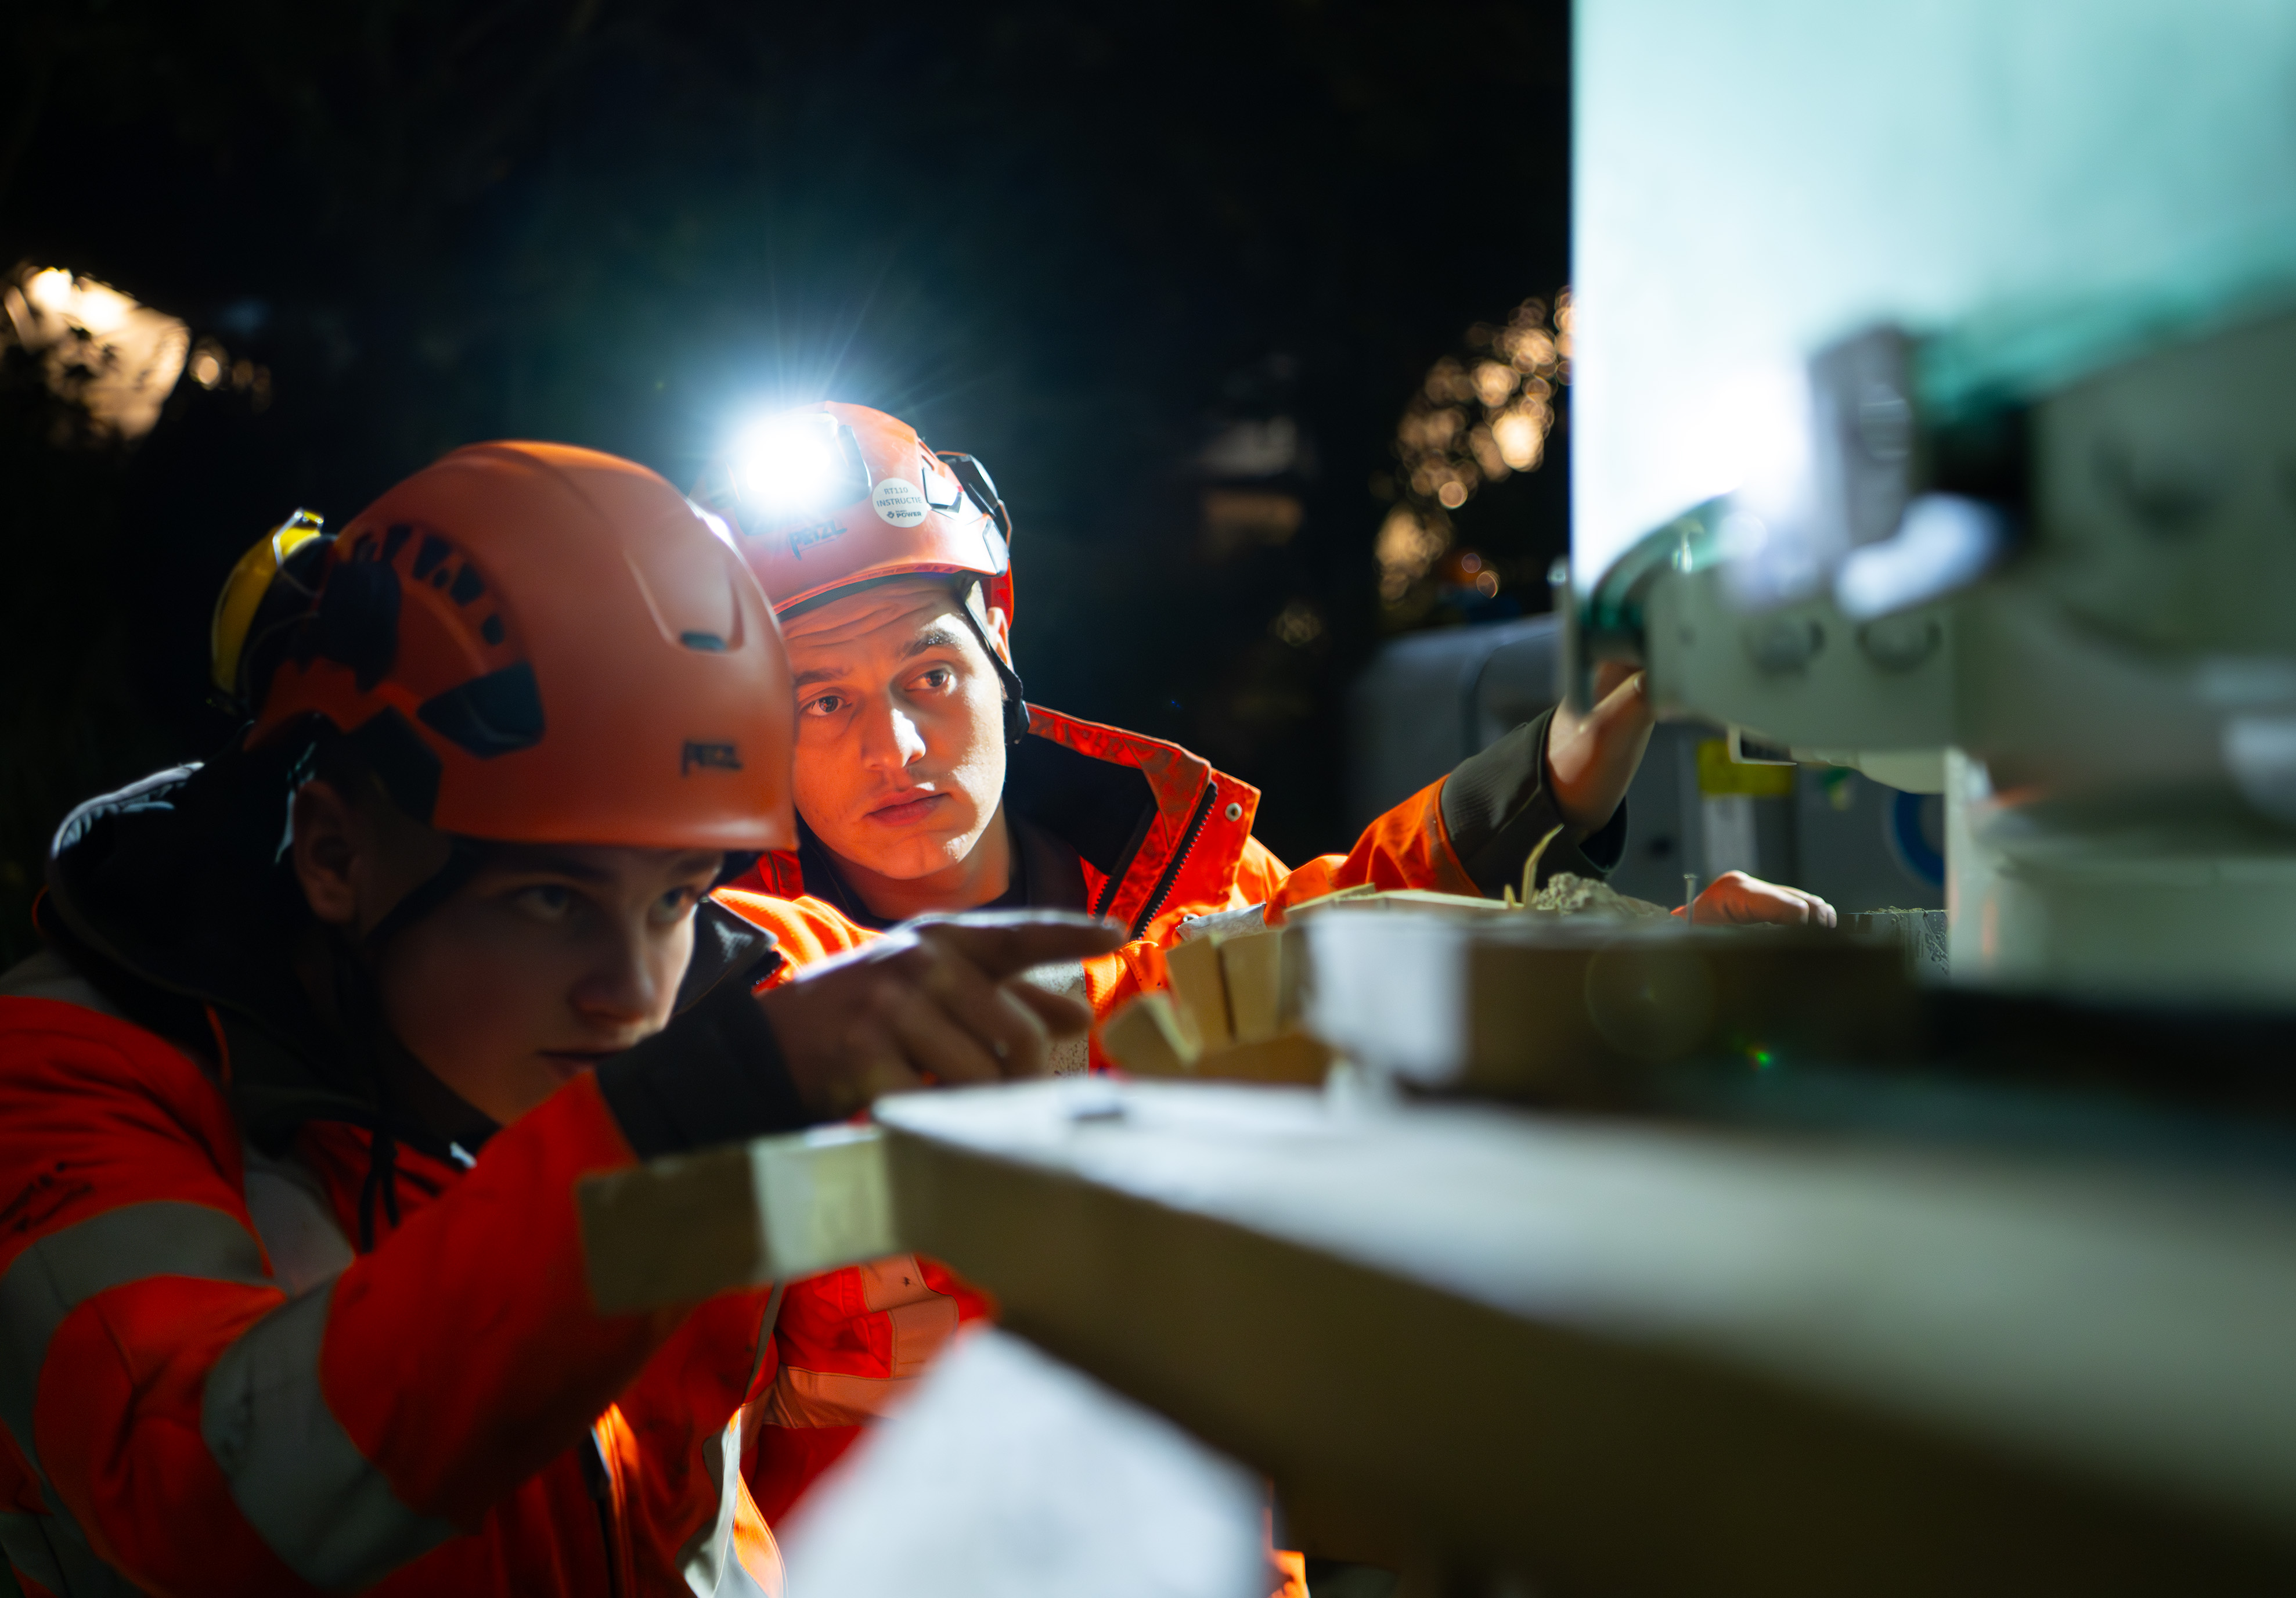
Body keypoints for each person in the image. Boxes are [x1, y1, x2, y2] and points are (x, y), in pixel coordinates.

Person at [0, 442, 1119, 1596]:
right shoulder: (70, 1080)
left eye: (678, 891)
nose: (634, 994)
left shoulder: (718, 994)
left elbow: (1079, 1006)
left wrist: (1303, 950)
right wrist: (667, 1128)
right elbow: (207, 1503)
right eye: (550, 898)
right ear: (338, 850)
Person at [689, 402, 1835, 1516]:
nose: (891, 745)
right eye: (821, 699)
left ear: (998, 641)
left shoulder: (1180, 890)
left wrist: (1629, 927)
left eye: (927, 676)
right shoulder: (725, 972)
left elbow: (1355, 940)